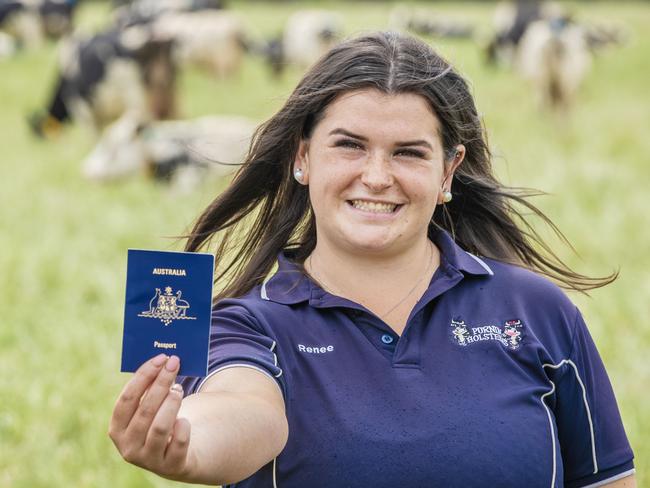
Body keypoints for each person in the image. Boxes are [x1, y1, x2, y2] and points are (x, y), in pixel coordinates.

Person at [109, 32, 636, 487]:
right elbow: (246, 410)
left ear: (447, 172)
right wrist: (189, 441)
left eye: (408, 152)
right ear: (303, 157)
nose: (378, 177)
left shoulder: (539, 311)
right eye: (350, 146)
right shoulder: (247, 323)